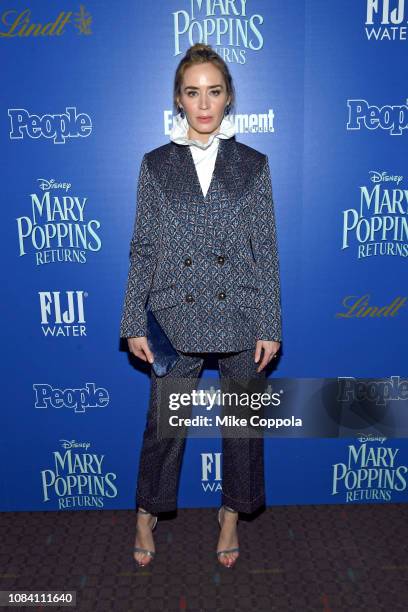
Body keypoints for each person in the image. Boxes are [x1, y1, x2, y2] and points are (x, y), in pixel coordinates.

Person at [120, 43, 282, 569]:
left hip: (240, 312)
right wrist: (133, 319)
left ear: (228, 97)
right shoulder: (156, 164)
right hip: (172, 315)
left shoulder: (253, 165)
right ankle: (147, 511)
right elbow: (144, 246)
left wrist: (270, 323)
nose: (204, 103)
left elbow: (266, 251)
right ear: (179, 99)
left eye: (214, 91)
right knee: (164, 427)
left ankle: (231, 513)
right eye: (193, 92)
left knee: (242, 426)